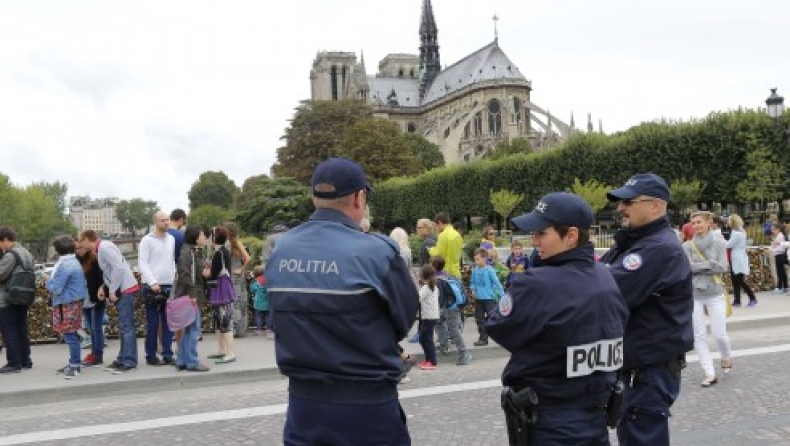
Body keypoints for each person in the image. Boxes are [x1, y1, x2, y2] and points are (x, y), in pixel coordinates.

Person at [265, 157, 419, 446]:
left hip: (304, 406)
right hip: (367, 406)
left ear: (314, 198)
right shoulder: (378, 252)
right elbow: (405, 319)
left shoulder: (280, 249)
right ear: (359, 198)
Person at [486, 192, 628, 446]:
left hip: (551, 419)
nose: (534, 240)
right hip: (595, 417)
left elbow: (498, 327)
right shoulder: (605, 275)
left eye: (542, 233)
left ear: (571, 236)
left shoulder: (537, 284)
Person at [599, 173, 693, 446]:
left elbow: (603, 290)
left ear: (656, 206)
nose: (620, 208)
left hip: (648, 372)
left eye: (628, 201)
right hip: (639, 369)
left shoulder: (657, 248)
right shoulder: (634, 243)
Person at [77, 229, 140, 374]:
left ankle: (129, 361)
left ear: (87, 239)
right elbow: (112, 270)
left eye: (81, 241)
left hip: (124, 289)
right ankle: (123, 358)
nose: (80, 244)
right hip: (123, 288)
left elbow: (118, 268)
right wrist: (104, 287)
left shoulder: (103, 248)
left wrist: (111, 290)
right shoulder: (102, 248)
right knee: (125, 327)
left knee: (126, 327)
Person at [682, 211, 732, 387]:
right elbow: (687, 268)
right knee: (699, 336)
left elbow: (722, 267)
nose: (696, 226)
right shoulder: (687, 246)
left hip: (715, 292)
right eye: (693, 223)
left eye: (699, 222)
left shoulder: (719, 242)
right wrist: (709, 264)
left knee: (720, 335)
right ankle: (709, 373)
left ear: (709, 222)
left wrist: (698, 266)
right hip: (694, 293)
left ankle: (726, 356)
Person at [45, 236, 89, 379]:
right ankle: (73, 363)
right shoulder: (73, 262)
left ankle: (75, 365)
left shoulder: (64, 265)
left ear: (59, 250)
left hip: (66, 303)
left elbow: (56, 288)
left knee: (70, 335)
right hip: (74, 301)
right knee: (72, 333)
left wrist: (48, 281)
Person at [138, 211, 177, 366]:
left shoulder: (172, 239)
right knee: (153, 323)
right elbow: (143, 263)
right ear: (155, 222)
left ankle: (167, 353)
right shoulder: (147, 241)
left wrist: (174, 278)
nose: (166, 223)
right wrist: (152, 282)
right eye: (162, 220)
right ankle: (151, 355)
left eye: (167, 220)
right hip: (152, 286)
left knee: (168, 322)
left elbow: (171, 261)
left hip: (168, 284)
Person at [174, 226, 211, 372]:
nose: (204, 238)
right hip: (191, 296)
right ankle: (192, 361)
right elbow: (185, 274)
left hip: (192, 294)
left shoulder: (193, 252)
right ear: (195, 237)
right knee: (193, 329)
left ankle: (182, 360)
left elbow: (192, 273)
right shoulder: (188, 252)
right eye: (202, 235)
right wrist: (193, 295)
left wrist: (205, 273)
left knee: (189, 329)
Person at [0, 226, 35, 373]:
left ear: (6, 239)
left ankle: (14, 363)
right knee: (21, 327)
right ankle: (25, 359)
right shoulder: (27, 253)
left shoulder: (11, 255)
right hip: (24, 295)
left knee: (9, 329)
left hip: (8, 297)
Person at [432, 256, 472, 366]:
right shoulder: (447, 275)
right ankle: (444, 345)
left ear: (433, 266)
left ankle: (463, 353)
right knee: (439, 323)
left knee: (453, 330)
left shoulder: (438, 280)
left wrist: (436, 308)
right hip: (453, 306)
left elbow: (440, 297)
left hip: (449, 308)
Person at [207, 226, 236, 364]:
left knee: (224, 322)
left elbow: (212, 273)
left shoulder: (219, 254)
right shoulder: (225, 251)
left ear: (214, 238)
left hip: (220, 289)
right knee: (221, 321)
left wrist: (207, 271)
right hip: (225, 288)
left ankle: (229, 352)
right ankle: (223, 350)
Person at [77, 241, 108, 367]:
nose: (79, 250)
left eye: (80, 247)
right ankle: (94, 352)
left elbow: (102, 278)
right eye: (76, 248)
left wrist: (102, 291)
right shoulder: (78, 261)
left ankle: (98, 355)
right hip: (85, 300)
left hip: (95, 298)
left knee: (96, 328)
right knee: (91, 329)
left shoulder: (94, 260)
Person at [470, 247, 504, 346]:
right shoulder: (475, 270)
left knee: (493, 319)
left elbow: (496, 283)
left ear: (484, 258)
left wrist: (502, 295)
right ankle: (483, 338)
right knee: (479, 319)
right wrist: (473, 289)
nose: (476, 262)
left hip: (489, 299)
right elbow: (473, 282)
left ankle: (500, 337)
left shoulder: (490, 270)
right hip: (479, 299)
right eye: (475, 260)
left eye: (478, 259)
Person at [224, 222, 251, 337]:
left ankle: (235, 328)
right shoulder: (233, 243)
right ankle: (240, 329)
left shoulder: (233, 243)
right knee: (240, 302)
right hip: (237, 277)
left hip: (234, 276)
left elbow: (248, 259)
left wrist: (241, 270)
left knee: (235, 302)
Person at [727, 214, 758, 307]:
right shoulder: (740, 231)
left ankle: (752, 298)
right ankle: (737, 300)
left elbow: (728, 245)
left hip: (738, 258)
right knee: (735, 280)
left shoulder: (737, 234)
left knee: (739, 280)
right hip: (736, 257)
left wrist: (720, 241)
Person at [416, 264, 439, 371]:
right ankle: (427, 360)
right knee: (423, 338)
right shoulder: (433, 286)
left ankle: (432, 361)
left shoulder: (426, 287)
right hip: (431, 316)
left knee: (426, 339)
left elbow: (417, 298)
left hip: (428, 317)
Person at [429, 212, 463, 277]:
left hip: (446, 272)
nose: (436, 228)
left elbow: (438, 254)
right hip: (456, 271)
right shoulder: (457, 234)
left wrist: (430, 250)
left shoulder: (443, 235)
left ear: (439, 222)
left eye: (436, 225)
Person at [249, 266, 271, 338]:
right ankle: (269, 330)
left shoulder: (256, 281)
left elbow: (252, 290)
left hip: (258, 303)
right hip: (268, 302)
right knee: (268, 316)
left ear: (255, 273)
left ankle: (259, 331)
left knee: (258, 317)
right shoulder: (268, 280)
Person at [769, 223, 788, 293]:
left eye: (773, 229)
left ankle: (780, 287)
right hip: (778, 255)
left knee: (780, 272)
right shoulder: (777, 236)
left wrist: (773, 249)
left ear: (778, 229)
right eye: (772, 229)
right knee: (782, 271)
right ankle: (785, 287)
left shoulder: (780, 236)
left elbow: (780, 247)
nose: (772, 231)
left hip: (780, 255)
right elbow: (774, 245)